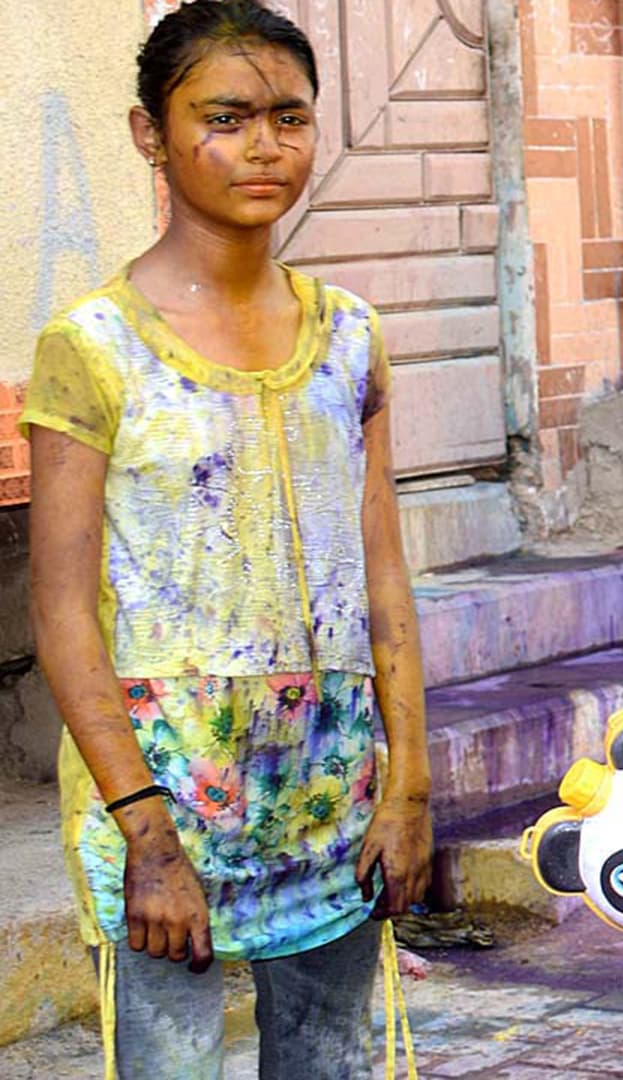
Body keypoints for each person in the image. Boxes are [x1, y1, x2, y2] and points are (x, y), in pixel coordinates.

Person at [22, 3, 432, 1076]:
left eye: (289, 117)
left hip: (332, 778)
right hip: (161, 784)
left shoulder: (350, 338)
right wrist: (147, 834)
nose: (264, 146)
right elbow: (61, 611)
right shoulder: (93, 348)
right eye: (225, 116)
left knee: (331, 1056)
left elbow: (382, 573)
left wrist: (411, 787)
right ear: (149, 134)